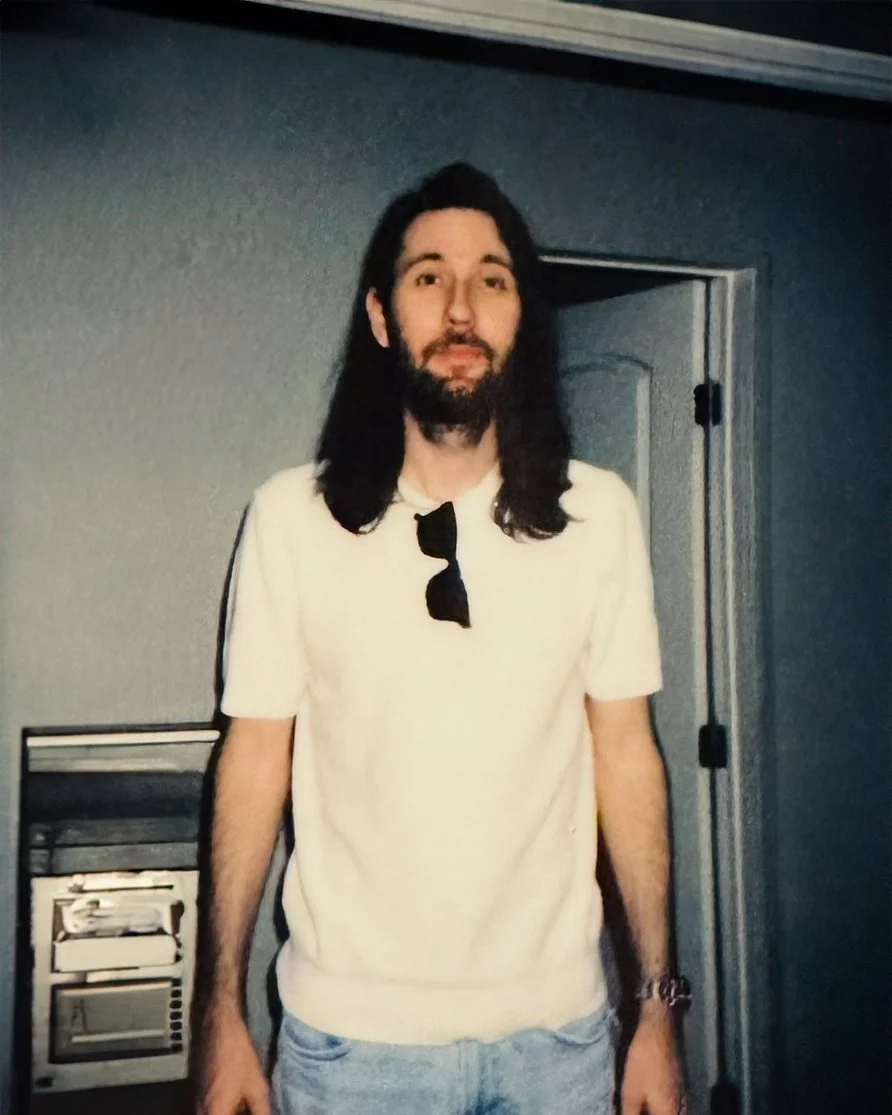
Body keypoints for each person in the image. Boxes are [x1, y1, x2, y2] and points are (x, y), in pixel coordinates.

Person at [194, 163, 687, 1115]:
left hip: (562, 1047)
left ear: (521, 318)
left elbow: (628, 759)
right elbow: (253, 760)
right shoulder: (290, 520)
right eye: (429, 276)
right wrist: (219, 1011)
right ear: (382, 316)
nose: (460, 307)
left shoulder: (603, 517)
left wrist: (662, 1010)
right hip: (351, 1053)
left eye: (491, 279)